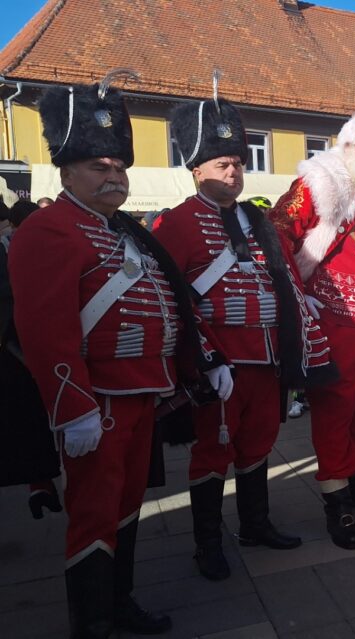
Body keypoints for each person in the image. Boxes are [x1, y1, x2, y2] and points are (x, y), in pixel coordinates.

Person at [8, 73, 232, 638]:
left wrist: (201, 361)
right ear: (66, 172)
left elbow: (171, 303)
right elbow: (45, 329)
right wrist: (72, 407)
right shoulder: (49, 230)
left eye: (119, 167)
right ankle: (92, 622)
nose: (114, 176)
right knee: (93, 512)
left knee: (127, 503)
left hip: (142, 394)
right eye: (98, 166)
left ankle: (119, 600)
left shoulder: (121, 230)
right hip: (97, 401)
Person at [155, 94, 337, 581]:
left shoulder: (258, 220)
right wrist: (203, 359)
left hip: (267, 360)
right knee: (213, 450)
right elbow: (170, 296)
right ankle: (207, 543)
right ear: (197, 170)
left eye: (237, 162)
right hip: (221, 365)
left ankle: (255, 525)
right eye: (222, 163)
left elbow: (283, 278)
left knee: (259, 443)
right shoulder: (177, 222)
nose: (234, 171)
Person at [269, 109, 355, 550]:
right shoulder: (320, 184)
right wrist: (296, 294)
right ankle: (336, 500)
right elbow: (275, 233)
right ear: (346, 147)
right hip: (331, 320)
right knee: (334, 413)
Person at [0, 199, 63, 518]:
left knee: (26, 419)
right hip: (26, 344)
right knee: (35, 417)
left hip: (16, 346)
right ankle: (41, 482)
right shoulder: (40, 244)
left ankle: (40, 483)